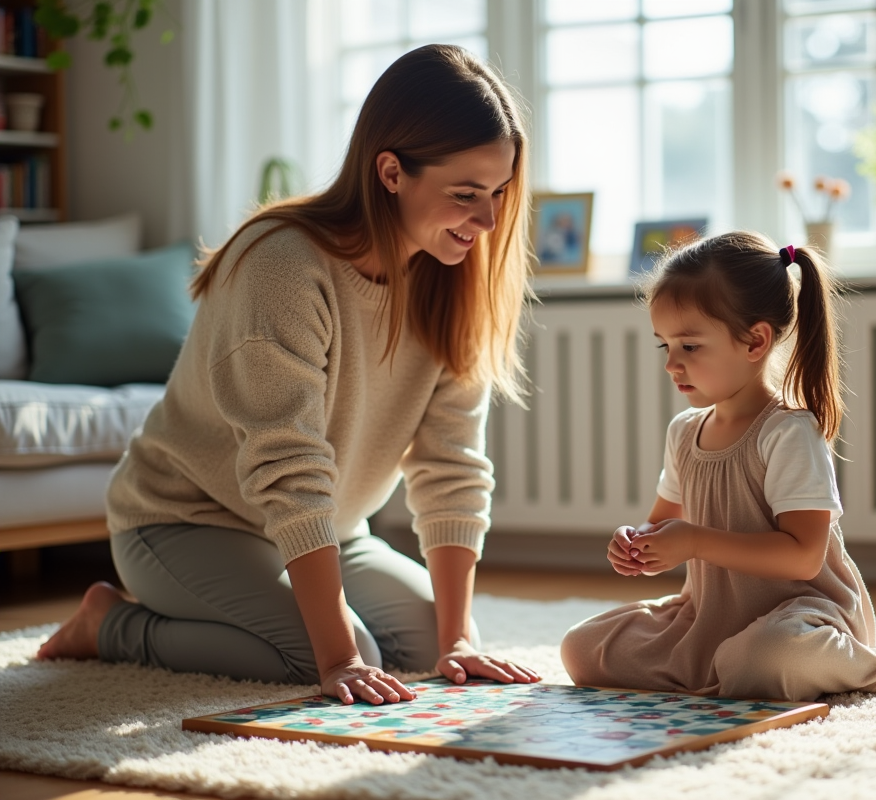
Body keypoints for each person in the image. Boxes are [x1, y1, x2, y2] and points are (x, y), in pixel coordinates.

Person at [37, 44, 541, 705]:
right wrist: (335, 659)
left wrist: (459, 643)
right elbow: (290, 466)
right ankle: (111, 625)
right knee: (340, 656)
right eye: (466, 194)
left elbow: (452, 466)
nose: (489, 221)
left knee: (425, 646)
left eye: (499, 192)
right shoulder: (282, 264)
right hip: (185, 522)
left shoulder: (453, 283)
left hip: (330, 531)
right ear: (391, 172)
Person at [559, 232, 876, 701]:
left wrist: (696, 541)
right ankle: (723, 671)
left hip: (800, 615)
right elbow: (664, 522)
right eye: (665, 347)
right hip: (707, 616)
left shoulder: (787, 432)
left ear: (755, 341)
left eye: (690, 347)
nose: (671, 365)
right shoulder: (684, 432)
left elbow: (803, 556)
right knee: (581, 648)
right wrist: (637, 542)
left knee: (771, 656)